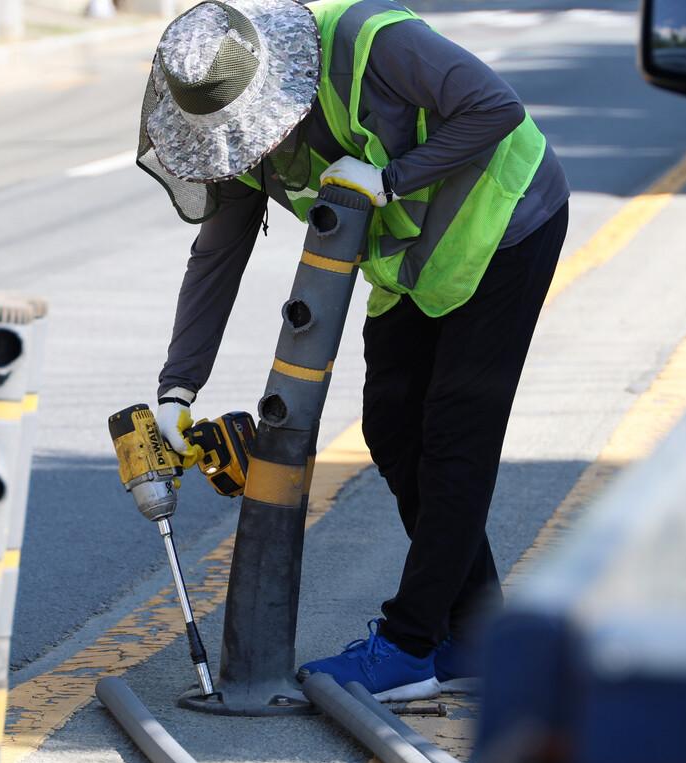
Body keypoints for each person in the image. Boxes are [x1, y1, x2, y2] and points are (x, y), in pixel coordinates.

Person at [137, 0, 570, 700]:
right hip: (412, 261)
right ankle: (481, 636)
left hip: (505, 221)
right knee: (395, 433)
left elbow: (498, 109)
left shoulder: (371, 40)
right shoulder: (239, 144)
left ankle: (410, 642)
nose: (248, 146)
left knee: (455, 436)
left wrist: (392, 176)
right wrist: (176, 390)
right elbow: (216, 256)